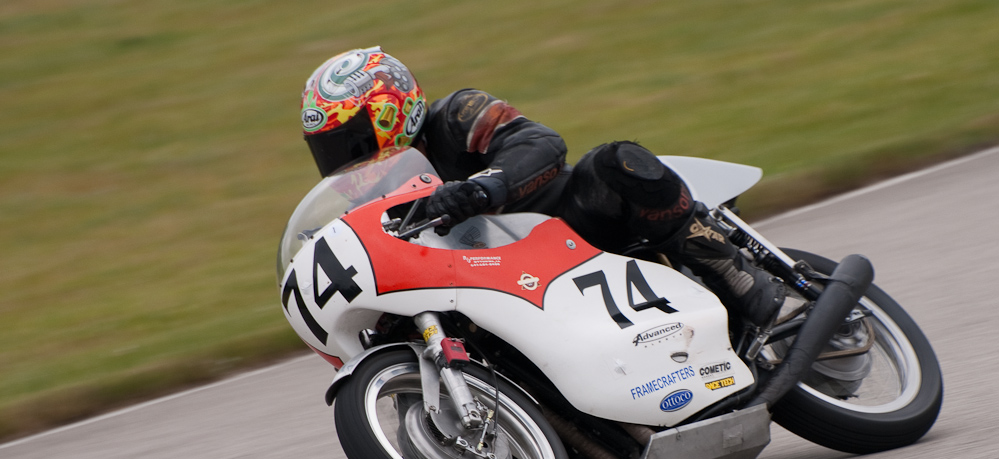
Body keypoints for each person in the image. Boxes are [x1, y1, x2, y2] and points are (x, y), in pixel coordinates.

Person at [300, 47, 783, 327]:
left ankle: (732, 272)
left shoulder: (457, 115)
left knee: (615, 161)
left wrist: (482, 188)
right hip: (499, 282)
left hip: (570, 229)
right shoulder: (366, 197)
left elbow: (539, 144)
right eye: (328, 151)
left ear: (390, 112)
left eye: (350, 142)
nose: (342, 162)